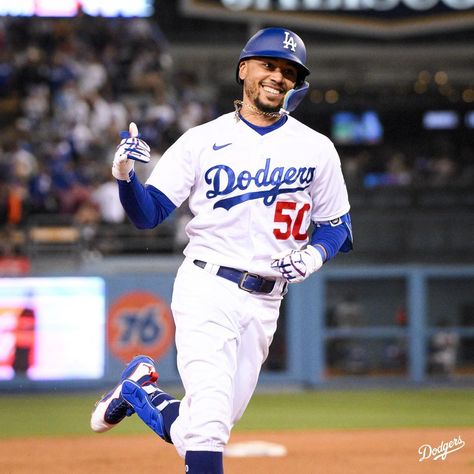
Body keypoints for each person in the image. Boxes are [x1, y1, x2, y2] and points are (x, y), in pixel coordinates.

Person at [90, 27, 353, 474]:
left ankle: (140, 392)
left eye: (289, 71)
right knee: (210, 430)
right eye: (269, 65)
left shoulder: (317, 148)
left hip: (267, 301)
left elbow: (337, 226)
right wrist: (126, 177)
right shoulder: (201, 140)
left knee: (197, 431)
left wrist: (315, 254)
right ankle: (144, 395)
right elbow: (148, 215)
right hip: (207, 286)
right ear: (243, 69)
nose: (278, 77)